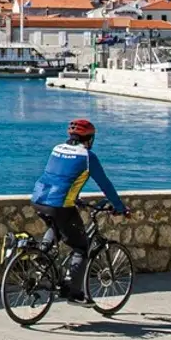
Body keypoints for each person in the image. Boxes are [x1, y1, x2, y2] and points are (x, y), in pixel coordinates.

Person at [30, 118, 130, 301]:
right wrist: (120, 207)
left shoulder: (57, 148)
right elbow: (105, 184)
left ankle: (42, 256)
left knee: (56, 228)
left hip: (38, 199)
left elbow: (59, 177)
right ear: (90, 139)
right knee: (81, 247)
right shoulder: (87, 156)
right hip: (60, 205)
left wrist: (75, 198)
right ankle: (74, 293)